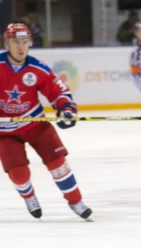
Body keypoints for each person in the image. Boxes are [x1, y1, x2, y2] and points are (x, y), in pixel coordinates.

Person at [0, 23, 91, 219]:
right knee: (19, 174)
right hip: (4, 132)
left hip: (36, 125)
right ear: (7, 44)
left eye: (25, 42)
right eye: (16, 42)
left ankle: (76, 201)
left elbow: (59, 91)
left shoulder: (37, 68)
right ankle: (29, 197)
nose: (21, 47)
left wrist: (66, 109)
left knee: (59, 164)